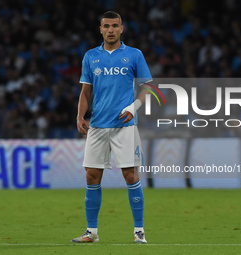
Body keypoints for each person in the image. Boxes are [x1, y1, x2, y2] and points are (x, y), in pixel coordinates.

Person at [71, 11, 152, 244]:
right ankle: (91, 232)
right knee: (92, 176)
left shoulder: (134, 55)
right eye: (106, 26)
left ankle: (139, 232)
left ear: (121, 29)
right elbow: (86, 92)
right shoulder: (90, 56)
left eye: (115, 26)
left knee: (130, 175)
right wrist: (80, 115)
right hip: (97, 125)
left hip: (124, 126)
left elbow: (148, 88)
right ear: (100, 29)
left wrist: (134, 107)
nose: (110, 30)